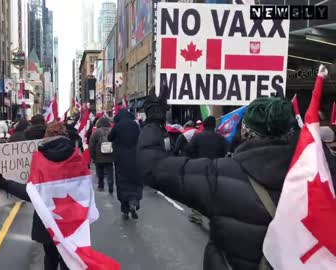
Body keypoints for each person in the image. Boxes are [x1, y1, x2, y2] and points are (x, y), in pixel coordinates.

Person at [137, 85, 336, 270]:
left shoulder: (218, 175)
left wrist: (155, 120)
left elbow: (153, 167)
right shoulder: (325, 174)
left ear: (244, 131)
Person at [0, 122, 74, 270]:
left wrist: (5, 184)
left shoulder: (41, 158)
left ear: (46, 136)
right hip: (72, 219)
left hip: (47, 220)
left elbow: (32, 193)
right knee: (69, 260)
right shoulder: (76, 156)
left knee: (51, 257)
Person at [108, 109, 142, 220]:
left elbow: (110, 137)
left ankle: (125, 209)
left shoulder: (117, 126)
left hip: (120, 158)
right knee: (135, 180)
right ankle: (134, 200)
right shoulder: (135, 125)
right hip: (135, 157)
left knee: (122, 181)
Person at [89, 117, 114, 194]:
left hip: (99, 156)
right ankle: (110, 186)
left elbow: (91, 145)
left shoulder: (97, 132)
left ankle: (101, 186)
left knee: (100, 172)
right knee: (110, 171)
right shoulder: (111, 130)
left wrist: (93, 156)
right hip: (110, 155)